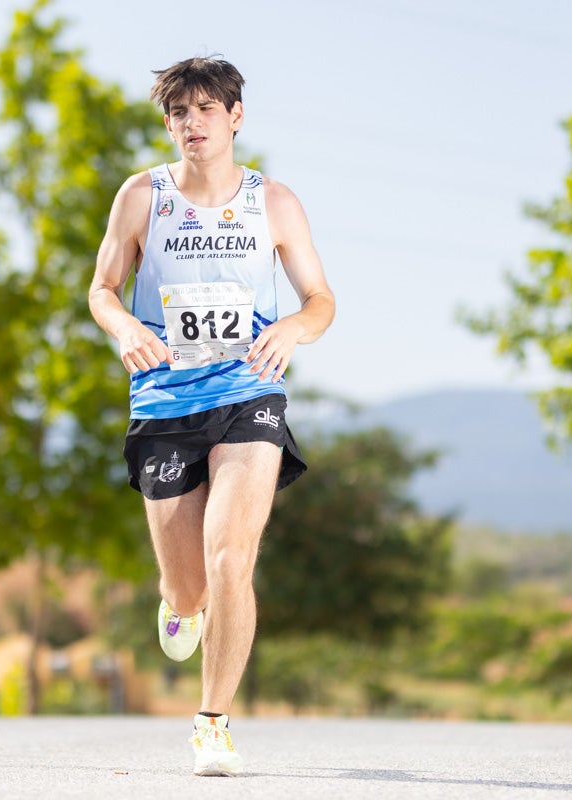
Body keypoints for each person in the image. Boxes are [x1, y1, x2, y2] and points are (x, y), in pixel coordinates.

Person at [88, 56, 335, 777]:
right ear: (168, 125)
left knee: (231, 560)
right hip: (166, 401)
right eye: (178, 113)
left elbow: (321, 300)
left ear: (235, 117)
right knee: (189, 585)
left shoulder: (274, 202)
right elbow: (103, 288)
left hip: (248, 392)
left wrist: (293, 328)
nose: (191, 123)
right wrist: (123, 328)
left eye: (205, 110)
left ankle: (213, 723)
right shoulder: (142, 197)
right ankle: (178, 602)